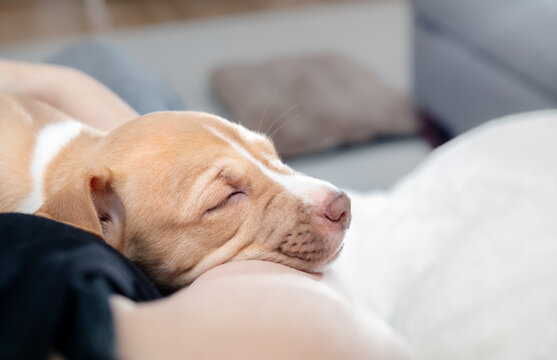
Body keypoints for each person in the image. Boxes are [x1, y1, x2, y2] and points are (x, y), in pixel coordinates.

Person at [0, 45, 407, 359]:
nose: (330, 201)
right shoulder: (73, 235)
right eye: (225, 197)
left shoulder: (126, 155)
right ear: (102, 223)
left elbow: (71, 88)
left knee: (100, 60)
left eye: (272, 157)